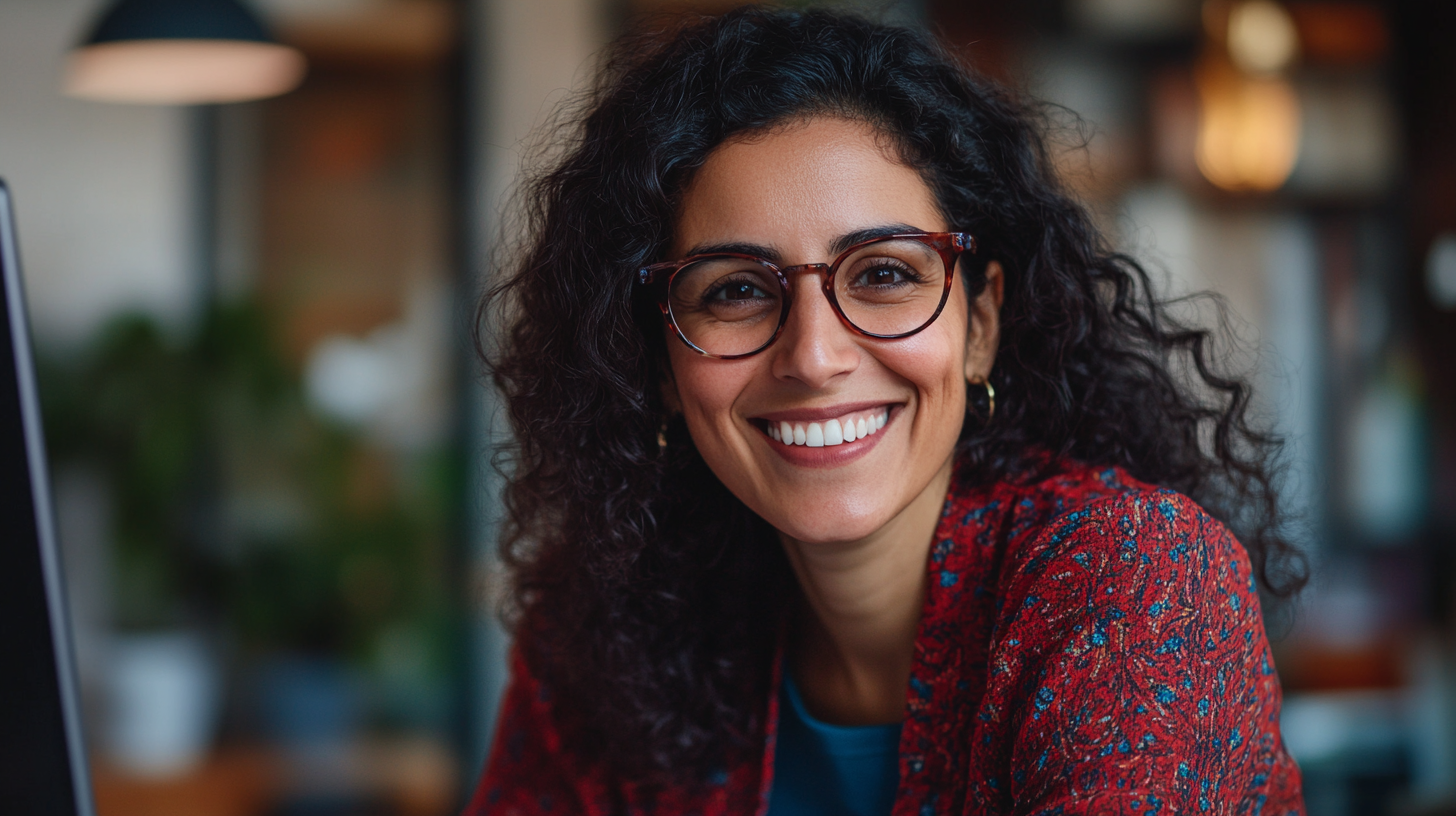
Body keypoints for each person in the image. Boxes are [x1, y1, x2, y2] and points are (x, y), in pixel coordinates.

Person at [466, 7, 1306, 815]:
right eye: (737, 290)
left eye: (883, 274)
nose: (814, 357)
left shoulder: (1134, 577)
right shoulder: (606, 636)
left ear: (979, 327)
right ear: (654, 367)